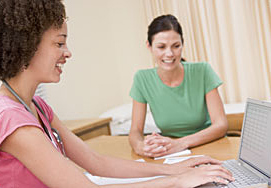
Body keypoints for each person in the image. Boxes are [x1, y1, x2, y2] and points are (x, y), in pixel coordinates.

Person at [0, 1, 233, 187]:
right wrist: (176, 181)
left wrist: (174, 168)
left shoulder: (38, 106)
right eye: (59, 44)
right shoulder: (12, 119)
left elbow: (96, 162)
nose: (68, 53)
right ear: (27, 45)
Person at [129, 14, 228, 158]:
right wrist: (140, 146)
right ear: (149, 46)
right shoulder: (142, 79)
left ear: (182, 44)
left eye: (176, 46)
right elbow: (135, 131)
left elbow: (221, 125)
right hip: (172, 153)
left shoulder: (202, 71)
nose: (169, 54)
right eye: (161, 47)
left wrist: (180, 143)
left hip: (210, 145)